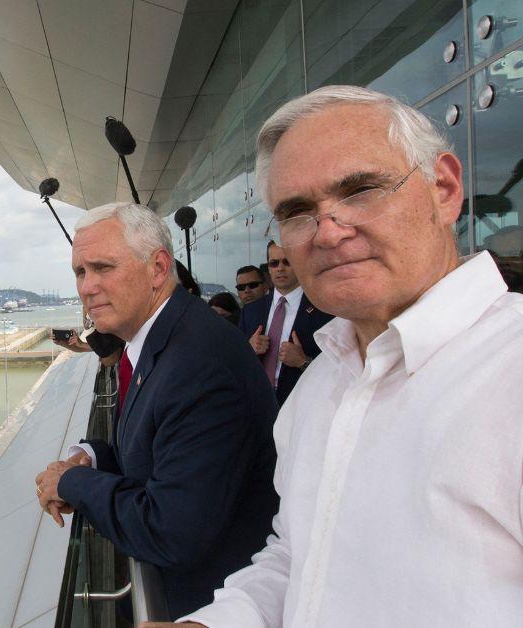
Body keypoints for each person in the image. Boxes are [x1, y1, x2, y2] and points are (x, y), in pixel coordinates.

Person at [153, 86, 523, 627]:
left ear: (443, 190)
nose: (327, 231)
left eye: (362, 190)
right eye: (298, 211)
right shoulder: (323, 381)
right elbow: (300, 556)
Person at [34, 202, 279, 618]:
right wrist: (91, 457)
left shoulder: (199, 363)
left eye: (103, 267)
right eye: (80, 272)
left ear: (158, 268)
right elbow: (151, 452)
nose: (86, 287)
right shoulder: (160, 341)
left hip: (212, 606)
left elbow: (169, 529)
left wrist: (74, 483)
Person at [239, 241, 333, 405]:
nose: (280, 268)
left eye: (287, 261)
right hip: (255, 405)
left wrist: (303, 362)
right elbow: (233, 362)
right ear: (268, 268)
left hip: (301, 405)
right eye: (274, 263)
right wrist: (248, 349)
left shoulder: (323, 310)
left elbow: (338, 371)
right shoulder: (251, 311)